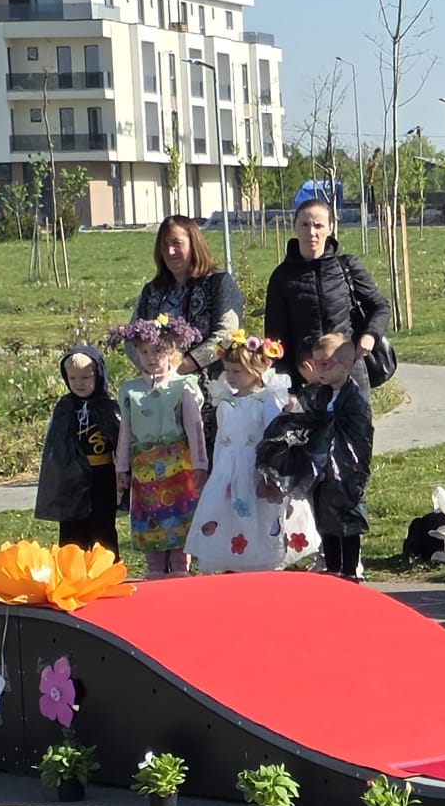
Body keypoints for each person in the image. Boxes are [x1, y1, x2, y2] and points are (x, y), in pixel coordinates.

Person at [186, 333, 319, 573]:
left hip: (256, 466)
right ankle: (234, 558)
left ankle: (265, 557)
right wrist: (216, 469)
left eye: (237, 371)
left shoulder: (265, 401)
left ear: (256, 370)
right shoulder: (225, 400)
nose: (230, 376)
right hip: (227, 469)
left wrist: (272, 472)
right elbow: (221, 438)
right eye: (228, 370)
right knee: (227, 510)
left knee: (261, 512)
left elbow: (274, 436)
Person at [263, 197, 391, 394]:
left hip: (349, 370)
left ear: (330, 228)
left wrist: (370, 335)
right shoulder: (282, 276)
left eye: (318, 225)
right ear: (294, 226)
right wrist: (286, 383)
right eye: (305, 224)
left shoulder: (346, 267)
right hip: (307, 375)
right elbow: (275, 336)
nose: (311, 232)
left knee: (354, 415)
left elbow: (380, 306)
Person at [114, 320, 210, 577]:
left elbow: (195, 428)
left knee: (179, 515)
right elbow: (126, 431)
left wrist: (200, 465)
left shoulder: (183, 386)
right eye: (144, 352)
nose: (151, 358)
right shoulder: (131, 390)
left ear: (171, 351)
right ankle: (155, 569)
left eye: (157, 351)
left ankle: (180, 568)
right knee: (150, 518)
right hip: (145, 467)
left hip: (177, 465)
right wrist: (121, 467)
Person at [296, 333, 374, 582]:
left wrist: (354, 466)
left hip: (347, 468)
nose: (319, 369)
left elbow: (360, 433)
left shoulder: (354, 398)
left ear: (346, 364)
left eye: (325, 364)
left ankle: (349, 570)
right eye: (316, 363)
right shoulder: (321, 395)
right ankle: (332, 568)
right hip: (322, 468)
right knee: (325, 516)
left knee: (347, 516)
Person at [34, 346, 120, 556]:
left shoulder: (108, 405)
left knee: (102, 524)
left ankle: (106, 565)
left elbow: (120, 437)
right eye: (73, 378)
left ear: (98, 375)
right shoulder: (65, 407)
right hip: (71, 477)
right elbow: (56, 445)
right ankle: (72, 566)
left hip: (102, 474)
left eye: (85, 377)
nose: (79, 383)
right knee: (71, 527)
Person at [130, 216, 244, 376]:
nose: (170, 251)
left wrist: (182, 367)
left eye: (176, 243)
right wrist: (153, 369)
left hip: (213, 384)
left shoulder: (218, 284)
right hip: (160, 384)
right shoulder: (152, 291)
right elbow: (132, 337)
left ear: (194, 245)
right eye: (164, 246)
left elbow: (226, 335)